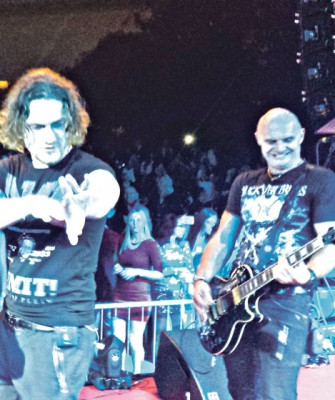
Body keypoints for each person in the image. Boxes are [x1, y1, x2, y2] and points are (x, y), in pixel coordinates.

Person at [0, 68, 120, 399]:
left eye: (58, 125)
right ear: (21, 128)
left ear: (70, 125)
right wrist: (32, 203)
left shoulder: (87, 169)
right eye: (38, 126)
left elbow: (105, 193)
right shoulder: (5, 172)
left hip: (57, 336)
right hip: (8, 329)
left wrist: (79, 205)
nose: (50, 136)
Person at [193, 108, 335, 400]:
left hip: (286, 303)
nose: (280, 147)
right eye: (271, 141)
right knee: (240, 391)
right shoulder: (244, 182)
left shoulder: (320, 181)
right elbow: (223, 238)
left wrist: (307, 273)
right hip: (236, 299)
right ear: (258, 139)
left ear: (301, 137)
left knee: (276, 394)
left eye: (288, 140)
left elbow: (329, 243)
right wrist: (201, 279)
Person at [110, 205, 163, 375]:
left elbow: (159, 273)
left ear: (144, 222)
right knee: (117, 339)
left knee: (135, 339)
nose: (135, 223)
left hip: (140, 297)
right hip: (120, 294)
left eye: (139, 220)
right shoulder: (123, 239)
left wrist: (137, 272)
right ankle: (118, 374)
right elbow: (116, 261)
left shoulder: (150, 244)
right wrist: (118, 268)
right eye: (132, 220)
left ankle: (137, 374)